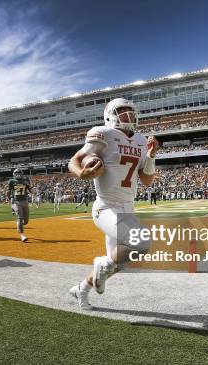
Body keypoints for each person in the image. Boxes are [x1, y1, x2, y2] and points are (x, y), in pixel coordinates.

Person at [67, 98, 159, 310]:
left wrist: (152, 155)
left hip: (128, 208)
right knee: (141, 242)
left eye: (130, 111)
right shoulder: (103, 133)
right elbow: (75, 159)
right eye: (122, 111)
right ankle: (101, 265)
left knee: (120, 262)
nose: (128, 115)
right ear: (110, 114)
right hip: (106, 207)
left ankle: (82, 288)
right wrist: (82, 172)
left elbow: (146, 180)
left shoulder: (139, 139)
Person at [8, 169, 31, 242]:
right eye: (16, 173)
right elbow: (8, 191)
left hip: (25, 201)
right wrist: (10, 201)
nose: (18, 175)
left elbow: (30, 190)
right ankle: (22, 235)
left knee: (26, 221)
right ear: (14, 174)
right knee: (20, 218)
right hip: (16, 201)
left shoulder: (25, 180)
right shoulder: (11, 181)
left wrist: (30, 189)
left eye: (19, 173)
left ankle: (18, 223)